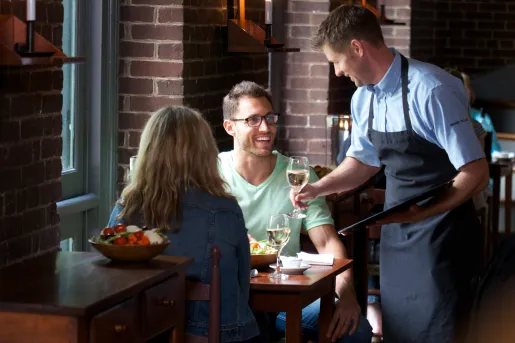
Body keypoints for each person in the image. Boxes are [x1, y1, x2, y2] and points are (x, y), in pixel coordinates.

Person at [294, 4, 489, 343]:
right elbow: (364, 163)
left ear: (357, 48)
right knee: (399, 330)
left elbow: (475, 172)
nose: (338, 72)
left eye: (337, 61)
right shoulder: (362, 99)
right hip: (397, 236)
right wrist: (318, 188)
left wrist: (423, 213)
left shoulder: (431, 88)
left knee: (443, 331)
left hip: (443, 235)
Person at [219, 81, 373, 343]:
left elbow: (327, 243)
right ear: (230, 127)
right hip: (231, 295)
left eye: (269, 118)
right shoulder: (212, 173)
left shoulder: (297, 175)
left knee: (356, 331)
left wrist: (347, 297)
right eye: (253, 120)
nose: (266, 128)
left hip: (287, 296)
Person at [107, 106, 260, 343]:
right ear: (205, 153)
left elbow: (111, 280)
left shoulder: (128, 207)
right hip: (221, 334)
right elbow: (242, 285)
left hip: (148, 332)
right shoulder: (225, 209)